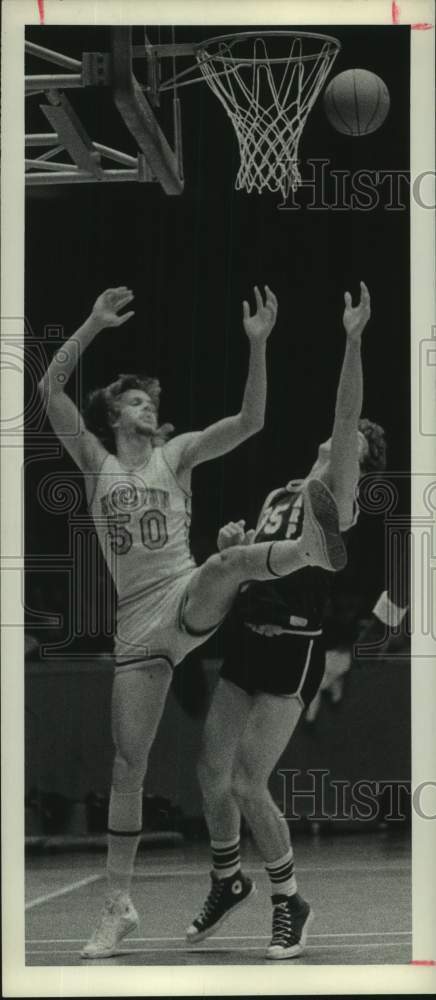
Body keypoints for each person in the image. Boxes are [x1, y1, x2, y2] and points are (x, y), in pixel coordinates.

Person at [38, 283, 344, 959]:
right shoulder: (96, 463)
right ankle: (119, 905)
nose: (152, 405)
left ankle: (301, 551)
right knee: (128, 765)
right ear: (116, 412)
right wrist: (90, 322)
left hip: (186, 596)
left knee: (220, 566)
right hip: (137, 629)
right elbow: (48, 389)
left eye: (154, 400)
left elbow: (251, 420)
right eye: (138, 399)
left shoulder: (177, 456)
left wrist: (258, 346)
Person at [186, 281, 387, 960]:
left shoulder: (338, 499)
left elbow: (346, 411)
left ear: (358, 460)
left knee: (247, 781)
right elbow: (252, 559)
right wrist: (230, 545)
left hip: (294, 649)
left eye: (353, 441)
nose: (341, 440)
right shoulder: (282, 491)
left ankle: (289, 900)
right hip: (246, 638)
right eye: (340, 439)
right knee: (209, 772)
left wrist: (354, 340)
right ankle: (225, 879)